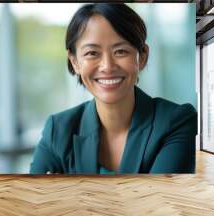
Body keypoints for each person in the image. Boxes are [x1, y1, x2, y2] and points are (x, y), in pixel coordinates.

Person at [30, 3, 197, 174]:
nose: (107, 66)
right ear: (75, 62)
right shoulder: (58, 129)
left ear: (143, 57)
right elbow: (31, 197)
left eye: (121, 51)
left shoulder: (177, 121)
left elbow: (161, 198)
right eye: (92, 53)